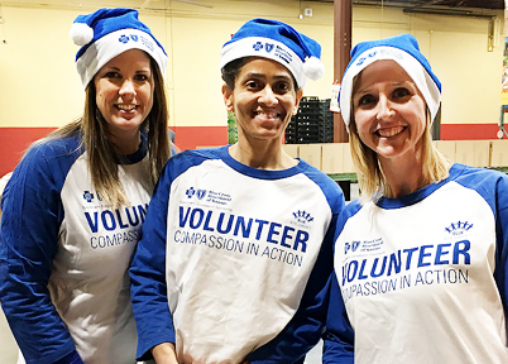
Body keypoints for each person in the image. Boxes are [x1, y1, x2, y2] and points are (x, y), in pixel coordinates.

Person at [129, 18, 345, 364]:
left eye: (281, 86)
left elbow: (314, 309)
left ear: (298, 98)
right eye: (253, 84)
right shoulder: (185, 173)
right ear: (228, 95)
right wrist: (164, 353)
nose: (268, 98)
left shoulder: (324, 198)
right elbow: (148, 273)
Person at [322, 33, 508, 363]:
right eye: (367, 100)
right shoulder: (350, 222)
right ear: (353, 121)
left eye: (400, 93)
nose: (384, 112)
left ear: (426, 103)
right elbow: (342, 339)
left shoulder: (493, 197)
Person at [0, 8, 172, 364]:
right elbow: (18, 284)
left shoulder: (166, 161)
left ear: (154, 86)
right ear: (92, 84)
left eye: (141, 77)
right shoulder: (48, 164)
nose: (129, 90)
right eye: (113, 75)